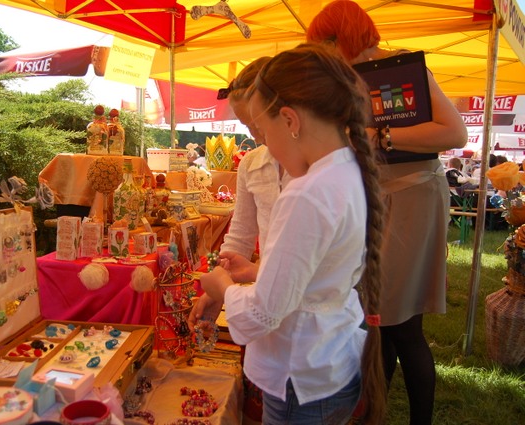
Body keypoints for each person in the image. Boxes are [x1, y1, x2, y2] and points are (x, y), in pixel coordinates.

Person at [190, 43, 387, 424]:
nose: (263, 143)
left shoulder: (306, 192)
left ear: (290, 120)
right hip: (331, 358)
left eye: (263, 130)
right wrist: (255, 272)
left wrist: (222, 287)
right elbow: (317, 274)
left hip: (301, 371)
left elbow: (263, 314)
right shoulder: (348, 169)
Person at [307, 1, 468, 424]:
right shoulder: (343, 80)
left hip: (412, 198)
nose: (324, 52)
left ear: (344, 35)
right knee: (383, 315)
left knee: (401, 323)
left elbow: (455, 132)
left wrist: (380, 136)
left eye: (327, 42)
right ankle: (374, 411)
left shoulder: (403, 69)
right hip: (376, 199)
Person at [216, 56, 291, 422]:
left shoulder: (311, 169)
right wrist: (222, 277)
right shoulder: (252, 163)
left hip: (295, 299)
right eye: (246, 125)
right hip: (270, 293)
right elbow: (241, 233)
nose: (255, 134)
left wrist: (240, 280)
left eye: (257, 123)